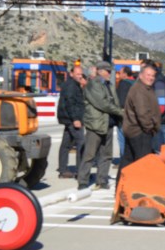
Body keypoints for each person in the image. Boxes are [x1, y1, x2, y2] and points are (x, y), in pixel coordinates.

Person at [77, 61, 123, 190]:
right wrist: (121, 112)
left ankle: (102, 180)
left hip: (108, 124)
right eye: (108, 71)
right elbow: (102, 103)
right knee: (89, 155)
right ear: (100, 71)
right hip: (96, 124)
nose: (110, 74)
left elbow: (114, 101)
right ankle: (83, 181)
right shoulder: (93, 85)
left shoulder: (109, 85)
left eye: (110, 71)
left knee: (106, 155)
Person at [118, 61, 161, 174]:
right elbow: (142, 113)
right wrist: (150, 128)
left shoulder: (146, 88)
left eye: (153, 75)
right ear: (141, 75)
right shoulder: (139, 90)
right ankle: (138, 187)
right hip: (139, 132)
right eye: (148, 75)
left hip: (135, 130)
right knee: (142, 163)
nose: (151, 78)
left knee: (128, 161)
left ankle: (122, 187)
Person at [56, 64, 85, 179]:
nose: (79, 76)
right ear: (71, 74)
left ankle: (63, 170)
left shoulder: (74, 84)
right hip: (72, 119)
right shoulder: (71, 86)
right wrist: (75, 119)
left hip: (68, 119)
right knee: (81, 143)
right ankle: (80, 171)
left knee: (66, 144)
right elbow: (70, 103)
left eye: (81, 74)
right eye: (77, 74)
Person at [115, 66, 135, 159]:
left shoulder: (123, 84)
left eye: (120, 73)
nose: (119, 75)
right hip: (133, 116)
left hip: (124, 116)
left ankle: (124, 160)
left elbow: (121, 101)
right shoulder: (135, 83)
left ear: (125, 74)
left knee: (122, 138)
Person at [152, 63, 165, 152]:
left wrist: (156, 117)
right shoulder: (160, 80)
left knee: (161, 147)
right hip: (163, 117)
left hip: (161, 119)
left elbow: (161, 104)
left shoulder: (158, 82)